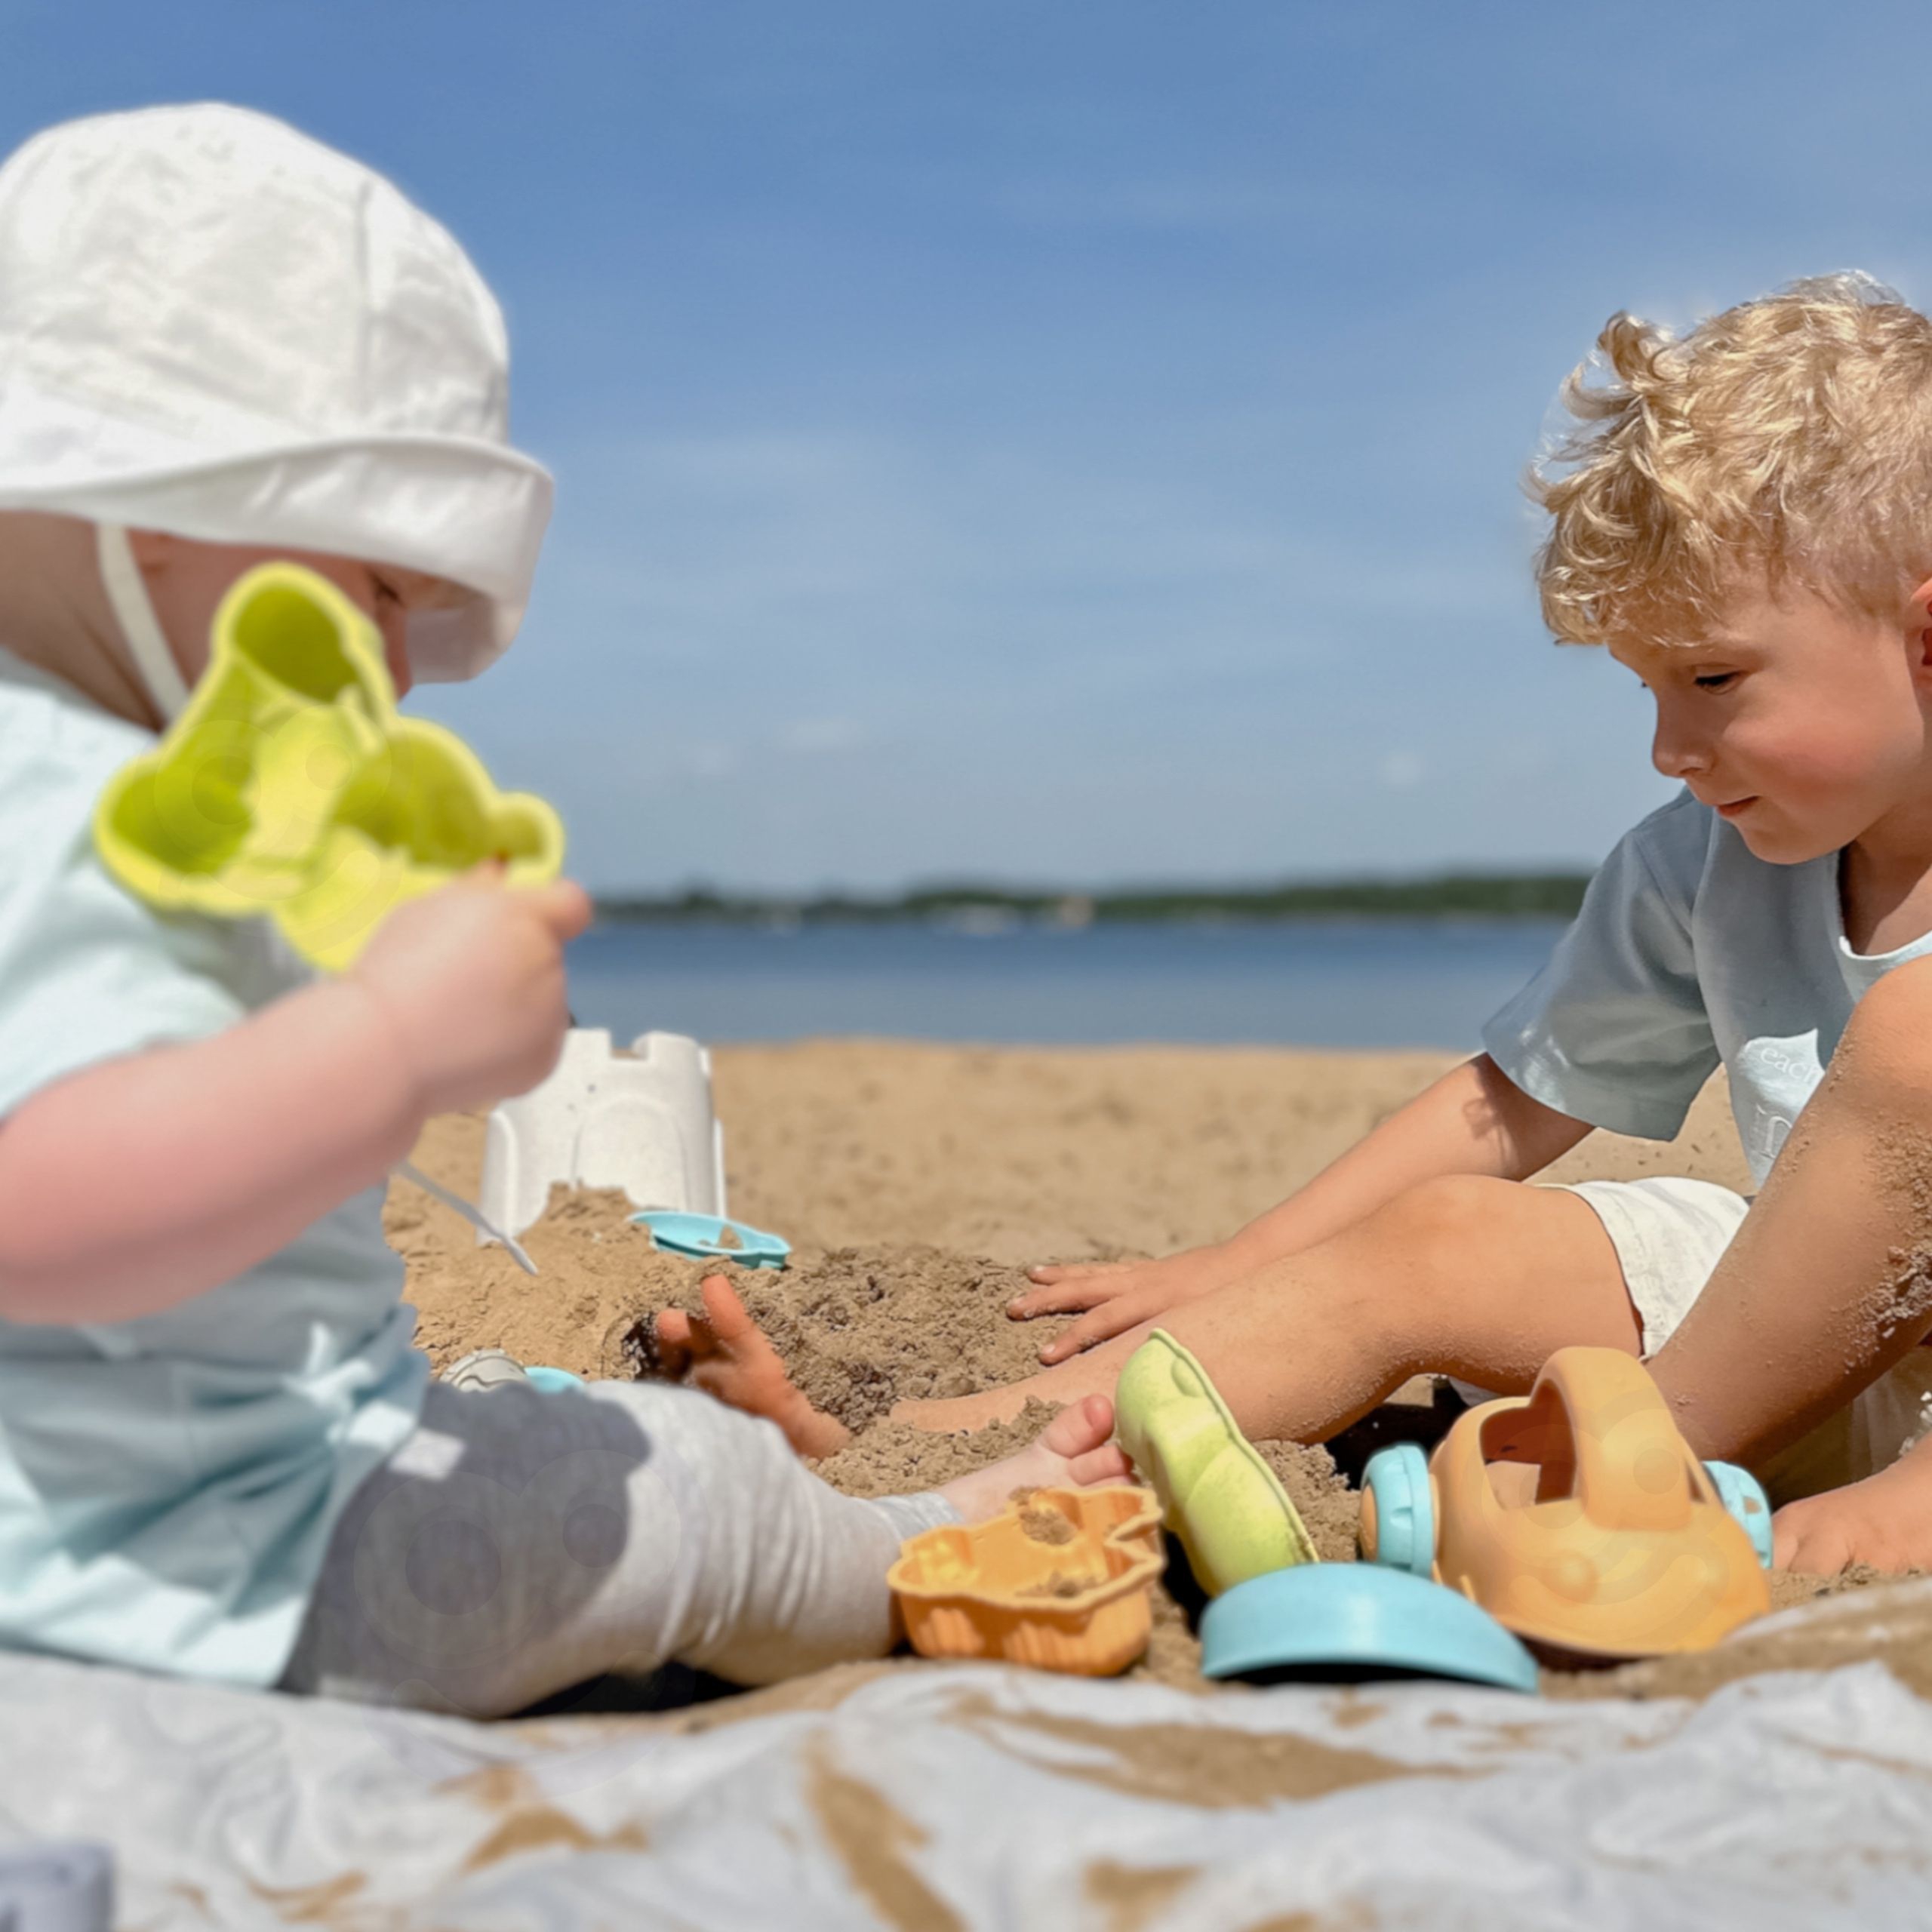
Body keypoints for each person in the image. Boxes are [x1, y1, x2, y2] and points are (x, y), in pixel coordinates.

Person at [0, 103, 1126, 1720]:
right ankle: (900, 1546)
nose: (396, 657)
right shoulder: (61, 814)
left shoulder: (97, 769)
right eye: (381, 581)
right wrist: (387, 1043)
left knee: (509, 1413)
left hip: (119, 1515)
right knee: (674, 1484)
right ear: (166, 496)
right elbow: (43, 1206)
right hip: (198, 1569)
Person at [679, 275, 1932, 1578]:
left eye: (1716, 679)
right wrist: (1245, 1261)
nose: (1671, 747)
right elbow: (1514, 1102)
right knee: (1441, 1237)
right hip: (1797, 1353)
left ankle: (1657, 1489)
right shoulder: (1706, 853)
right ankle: (940, 1460)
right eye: (1650, 690)